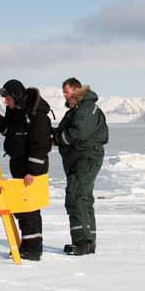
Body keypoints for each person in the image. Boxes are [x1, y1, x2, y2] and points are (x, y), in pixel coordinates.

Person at [0, 80, 52, 261]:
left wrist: (32, 171)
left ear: (16, 96)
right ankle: (27, 245)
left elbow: (40, 145)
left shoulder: (37, 115)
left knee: (30, 208)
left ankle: (32, 249)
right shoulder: (16, 111)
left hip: (31, 169)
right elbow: (10, 132)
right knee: (22, 207)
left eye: (7, 98)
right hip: (18, 166)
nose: (5, 102)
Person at [53, 77, 108, 256]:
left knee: (76, 197)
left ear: (77, 90)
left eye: (67, 92)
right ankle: (88, 242)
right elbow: (65, 130)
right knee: (83, 197)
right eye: (64, 92)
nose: (65, 95)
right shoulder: (77, 109)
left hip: (86, 157)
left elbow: (78, 133)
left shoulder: (85, 108)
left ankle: (82, 242)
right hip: (80, 158)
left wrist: (57, 138)